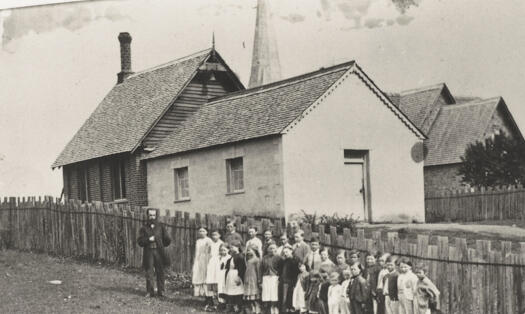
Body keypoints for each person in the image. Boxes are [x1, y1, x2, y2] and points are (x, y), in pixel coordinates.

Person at [137, 208, 172, 298]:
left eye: (153, 215)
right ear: (147, 216)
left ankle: (161, 292)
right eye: (150, 215)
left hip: (159, 252)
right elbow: (140, 242)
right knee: (149, 272)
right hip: (149, 252)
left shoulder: (161, 227)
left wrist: (160, 243)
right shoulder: (144, 228)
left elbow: (167, 240)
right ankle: (150, 292)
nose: (152, 217)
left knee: (160, 272)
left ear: (156, 216)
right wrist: (149, 240)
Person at [205, 230, 224, 311]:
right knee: (210, 280)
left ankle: (220, 302)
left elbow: (223, 253)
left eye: (216, 235)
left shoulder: (221, 243)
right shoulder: (211, 243)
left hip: (218, 262)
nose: (214, 236)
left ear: (219, 235)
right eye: (212, 235)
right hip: (211, 262)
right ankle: (210, 301)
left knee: (218, 280)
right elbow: (209, 253)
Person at [224, 243, 246, 313]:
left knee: (238, 291)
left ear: (237, 248)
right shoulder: (231, 257)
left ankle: (239, 307)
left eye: (233, 247)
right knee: (230, 291)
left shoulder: (240, 256)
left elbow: (242, 268)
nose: (231, 249)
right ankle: (231, 306)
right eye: (231, 248)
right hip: (230, 275)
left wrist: (239, 277)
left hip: (236, 275)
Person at [192, 227, 213, 300]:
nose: (201, 232)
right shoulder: (198, 241)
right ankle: (199, 292)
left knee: (205, 274)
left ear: (206, 232)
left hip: (206, 258)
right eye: (200, 231)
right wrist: (196, 259)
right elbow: (197, 251)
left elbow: (210, 251)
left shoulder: (209, 240)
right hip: (199, 258)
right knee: (198, 273)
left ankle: (206, 292)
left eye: (203, 231)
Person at [261, 244, 282, 314]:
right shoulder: (264, 258)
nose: (272, 250)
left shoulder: (279, 258)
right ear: (267, 250)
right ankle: (268, 309)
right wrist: (260, 280)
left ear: (276, 249)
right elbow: (261, 268)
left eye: (273, 248)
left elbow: (281, 269)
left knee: (274, 293)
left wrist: (279, 278)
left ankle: (274, 307)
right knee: (266, 293)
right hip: (266, 277)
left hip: (275, 277)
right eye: (270, 248)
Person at [279, 245, 299, 313]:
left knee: (289, 299)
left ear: (291, 251)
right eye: (284, 252)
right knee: (284, 299)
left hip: (291, 283)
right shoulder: (284, 261)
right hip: (284, 282)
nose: (285, 253)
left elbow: (296, 273)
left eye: (287, 252)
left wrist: (294, 283)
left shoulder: (294, 261)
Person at [244, 245, 262, 314]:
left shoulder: (257, 260)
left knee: (254, 295)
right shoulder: (248, 259)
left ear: (254, 251)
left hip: (254, 278)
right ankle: (252, 309)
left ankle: (258, 308)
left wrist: (259, 279)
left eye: (249, 250)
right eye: (247, 250)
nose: (248, 252)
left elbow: (258, 270)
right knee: (249, 296)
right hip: (248, 278)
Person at [217, 243, 231, 310]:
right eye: (221, 250)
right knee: (220, 288)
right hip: (220, 274)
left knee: (225, 287)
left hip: (226, 273)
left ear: (228, 250)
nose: (223, 252)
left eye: (224, 250)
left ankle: (226, 303)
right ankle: (221, 302)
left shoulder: (229, 257)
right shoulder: (218, 257)